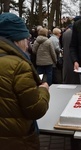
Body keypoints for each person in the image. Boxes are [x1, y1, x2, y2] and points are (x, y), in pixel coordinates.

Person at [0, 12, 50, 150]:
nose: (27, 44)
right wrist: (43, 90)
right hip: (17, 141)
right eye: (25, 39)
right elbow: (35, 109)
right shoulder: (19, 66)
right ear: (16, 39)